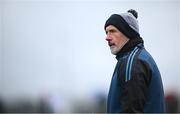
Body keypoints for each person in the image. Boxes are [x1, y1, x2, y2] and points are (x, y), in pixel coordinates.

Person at [104, 9, 165, 113]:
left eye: (113, 31)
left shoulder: (132, 62)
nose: (107, 37)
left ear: (128, 32)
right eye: (106, 32)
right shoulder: (138, 58)